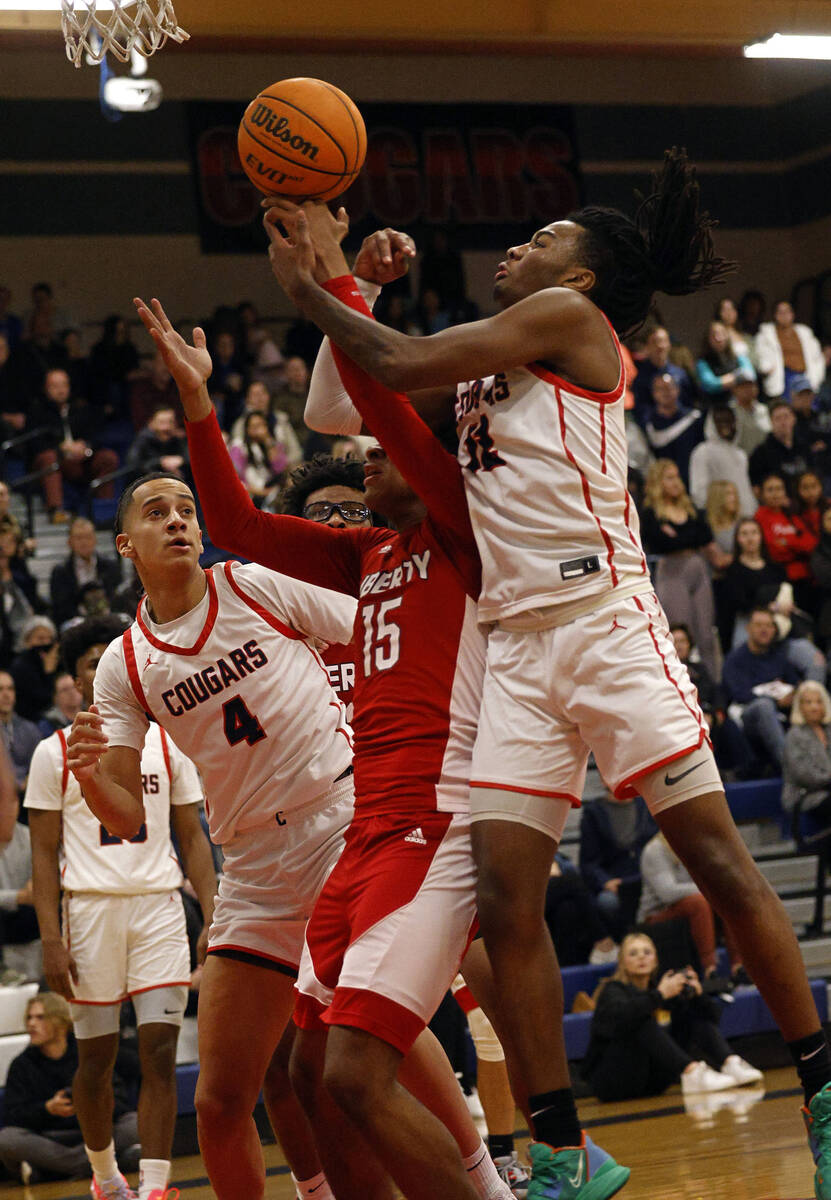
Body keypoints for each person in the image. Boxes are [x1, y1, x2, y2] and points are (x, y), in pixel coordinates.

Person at [269, 151, 831, 1198]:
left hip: (605, 621)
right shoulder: (483, 370)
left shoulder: (576, 332)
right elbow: (339, 417)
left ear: (578, 281)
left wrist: (319, 286)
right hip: (520, 647)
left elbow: (388, 367)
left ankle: (823, 1086)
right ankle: (564, 1150)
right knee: (507, 901)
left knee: (714, 856)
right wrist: (358, 290)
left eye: (545, 238)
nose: (519, 245)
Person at [135, 287, 520, 1200]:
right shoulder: (367, 559)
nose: (366, 472)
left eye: (381, 462)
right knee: (309, 1077)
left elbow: (386, 403)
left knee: (359, 1066)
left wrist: (332, 292)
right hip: (356, 839)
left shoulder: (455, 537)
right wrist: (198, 401)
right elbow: (237, 528)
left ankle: (528, 1158)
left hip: (421, 820)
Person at [63, 472, 358, 1200]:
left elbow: (379, 631)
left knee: (354, 1054)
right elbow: (127, 817)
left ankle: (485, 1174)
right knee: (225, 1099)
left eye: (188, 510)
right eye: (157, 513)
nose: (177, 522)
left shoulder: (256, 585)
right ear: (126, 544)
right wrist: (90, 776)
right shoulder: (126, 662)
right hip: (253, 864)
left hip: (338, 822)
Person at [28, 613, 217, 1200]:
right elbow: (41, 856)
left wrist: (214, 915)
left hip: (159, 907)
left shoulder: (168, 743)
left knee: (160, 1050)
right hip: (89, 912)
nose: (102, 671)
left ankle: (156, 1186)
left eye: (109, 660)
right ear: (79, 678)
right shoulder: (51, 752)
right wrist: (51, 941)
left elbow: (193, 839)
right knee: (97, 1062)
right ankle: (107, 1177)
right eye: (89, 664)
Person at [582, 934, 760, 1104]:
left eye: (647, 952)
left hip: (653, 1081)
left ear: (656, 960)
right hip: (613, 1081)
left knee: (690, 1014)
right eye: (633, 953)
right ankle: (692, 1072)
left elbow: (711, 1019)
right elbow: (622, 1018)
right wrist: (660, 995)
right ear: (623, 962)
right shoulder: (613, 990)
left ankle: (730, 1063)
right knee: (640, 1018)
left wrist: (697, 995)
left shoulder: (661, 989)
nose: (641, 957)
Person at [0, 993, 139, 1187]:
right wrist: (47, 1109)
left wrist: (87, 1106)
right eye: (29, 1018)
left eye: (40, 1017)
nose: (31, 1024)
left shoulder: (87, 1055)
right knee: (7, 1140)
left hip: (93, 1134)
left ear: (62, 1022)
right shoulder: (21, 1064)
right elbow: (12, 1116)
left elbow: (120, 1101)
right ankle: (109, 1164)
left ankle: (49, 1172)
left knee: (134, 1123)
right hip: (49, 1139)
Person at [639, 458, 723, 677]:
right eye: (669, 477)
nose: (676, 482)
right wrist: (685, 538)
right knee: (680, 631)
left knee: (705, 634)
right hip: (672, 571)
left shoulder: (690, 507)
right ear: (658, 482)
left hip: (698, 567)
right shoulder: (650, 512)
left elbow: (704, 535)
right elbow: (661, 542)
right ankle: (683, 684)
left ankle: (712, 686)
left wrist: (680, 537)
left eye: (677, 476)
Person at [637, 831, 744, 981]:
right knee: (698, 902)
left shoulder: (699, 844)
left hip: (690, 903)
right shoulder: (655, 850)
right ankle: (709, 969)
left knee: (726, 896)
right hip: (656, 913)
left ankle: (739, 966)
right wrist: (709, 888)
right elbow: (667, 892)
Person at [27, 368, 119, 525]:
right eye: (55, 386)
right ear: (46, 388)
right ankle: (56, 510)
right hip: (51, 463)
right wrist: (61, 448)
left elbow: (96, 435)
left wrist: (85, 446)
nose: (61, 390)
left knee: (108, 457)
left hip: (80, 461)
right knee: (49, 457)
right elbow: (34, 444)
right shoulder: (37, 411)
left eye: (64, 385)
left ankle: (104, 511)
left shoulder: (81, 408)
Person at [721, 606, 802, 770]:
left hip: (780, 713)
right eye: (759, 625)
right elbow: (739, 694)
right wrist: (777, 701)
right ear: (748, 628)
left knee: (812, 697)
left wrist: (793, 694)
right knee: (764, 705)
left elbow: (796, 683)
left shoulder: (778, 656)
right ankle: (792, 769)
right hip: (747, 717)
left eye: (769, 625)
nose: (764, 630)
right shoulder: (735, 659)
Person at [578, 786, 656, 942]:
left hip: (648, 877)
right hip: (613, 881)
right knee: (608, 902)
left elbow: (657, 845)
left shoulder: (646, 805)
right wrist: (605, 882)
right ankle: (621, 946)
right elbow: (588, 862)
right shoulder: (594, 812)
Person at [50, 517, 123, 633]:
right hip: (76, 621)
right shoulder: (60, 571)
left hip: (108, 618)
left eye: (88, 537)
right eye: (79, 538)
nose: (84, 542)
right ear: (70, 542)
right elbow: (61, 608)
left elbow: (117, 599)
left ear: (95, 540)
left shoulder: (110, 567)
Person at [688, 406, 755, 516]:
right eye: (720, 421)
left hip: (746, 517)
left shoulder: (740, 454)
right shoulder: (703, 451)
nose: (725, 425)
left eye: (729, 420)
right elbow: (699, 491)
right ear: (712, 424)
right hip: (720, 517)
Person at [642, 373, 704, 486]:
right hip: (666, 486)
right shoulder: (649, 425)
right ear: (654, 394)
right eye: (660, 389)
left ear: (677, 390)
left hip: (695, 480)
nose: (665, 392)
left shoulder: (694, 418)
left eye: (669, 388)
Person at [755, 300, 825, 400]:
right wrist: (766, 367)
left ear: (792, 314)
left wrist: (817, 375)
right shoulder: (766, 334)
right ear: (775, 315)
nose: (784, 315)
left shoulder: (805, 332)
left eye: (787, 312)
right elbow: (761, 356)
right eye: (781, 312)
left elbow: (817, 358)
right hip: (784, 377)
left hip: (805, 376)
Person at [782, 680, 831, 822]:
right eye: (808, 702)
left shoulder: (829, 729)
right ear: (800, 707)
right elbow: (804, 775)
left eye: (818, 702)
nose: (814, 707)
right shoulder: (794, 736)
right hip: (806, 795)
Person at [10, 616, 61, 725]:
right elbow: (43, 700)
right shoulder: (20, 666)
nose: (46, 643)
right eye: (40, 638)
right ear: (27, 640)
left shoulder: (56, 662)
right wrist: (48, 672)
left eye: (50, 639)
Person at [0, 670, 43, 797]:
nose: (6, 694)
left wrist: (28, 781)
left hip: (27, 797)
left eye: (10, 689)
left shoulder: (30, 729)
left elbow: (40, 764)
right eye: (0, 689)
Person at [695, 320, 755, 404]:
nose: (718, 338)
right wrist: (737, 377)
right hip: (718, 407)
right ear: (708, 339)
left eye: (721, 334)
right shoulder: (703, 362)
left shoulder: (737, 355)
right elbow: (711, 384)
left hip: (740, 405)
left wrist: (725, 381)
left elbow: (750, 374)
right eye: (714, 335)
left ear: (727, 335)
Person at [125, 406, 189, 483]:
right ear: (151, 423)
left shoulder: (179, 438)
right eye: (162, 422)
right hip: (148, 484)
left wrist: (182, 460)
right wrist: (160, 462)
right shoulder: (143, 439)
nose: (166, 427)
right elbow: (133, 464)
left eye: (170, 422)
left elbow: (192, 459)